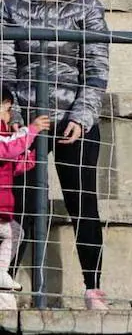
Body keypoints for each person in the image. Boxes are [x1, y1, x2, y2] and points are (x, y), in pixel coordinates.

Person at [0, 0, 109, 310]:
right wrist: (9, 110)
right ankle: (6, 282)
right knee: (23, 203)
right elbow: (6, 63)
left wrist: (81, 116)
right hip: (26, 121)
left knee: (83, 204)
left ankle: (93, 288)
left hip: (72, 119)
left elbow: (96, 68)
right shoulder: (12, 5)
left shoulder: (86, 5)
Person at [0, 91, 47, 311]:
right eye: (9, 111)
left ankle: (4, 292)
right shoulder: (2, 135)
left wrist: (32, 158)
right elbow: (8, 148)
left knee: (16, 232)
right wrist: (33, 129)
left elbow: (11, 165)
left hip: (3, 209)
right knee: (14, 232)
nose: (10, 117)